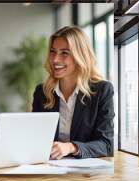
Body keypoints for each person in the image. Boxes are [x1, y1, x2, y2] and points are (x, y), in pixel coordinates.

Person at [32, 26, 114, 159]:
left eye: (64, 53)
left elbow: (106, 144)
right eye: (53, 51)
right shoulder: (42, 92)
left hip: (86, 176)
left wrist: (71, 147)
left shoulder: (102, 91)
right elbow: (34, 137)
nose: (55, 60)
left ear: (79, 56)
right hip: (48, 169)